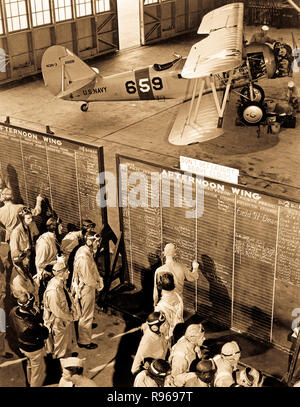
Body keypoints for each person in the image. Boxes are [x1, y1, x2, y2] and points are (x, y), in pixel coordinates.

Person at [71, 231, 104, 349]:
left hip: (86, 286)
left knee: (86, 312)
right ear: (90, 241)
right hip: (86, 288)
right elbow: (88, 278)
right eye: (96, 241)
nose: (98, 244)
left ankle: (85, 329)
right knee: (86, 314)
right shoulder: (84, 258)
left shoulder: (84, 250)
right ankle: (84, 341)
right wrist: (98, 285)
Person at [9, 293, 48, 387]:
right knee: (37, 371)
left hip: (22, 346)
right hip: (34, 349)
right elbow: (44, 333)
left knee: (29, 363)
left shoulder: (13, 311)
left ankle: (29, 382)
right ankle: (34, 385)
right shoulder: (31, 325)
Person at [43, 256, 78, 359]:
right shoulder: (53, 291)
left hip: (64, 319)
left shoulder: (60, 283)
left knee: (66, 341)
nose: (68, 273)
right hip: (58, 322)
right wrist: (70, 317)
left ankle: (67, 356)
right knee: (60, 347)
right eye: (66, 271)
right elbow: (57, 311)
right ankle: (62, 365)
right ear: (60, 273)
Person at [131, 311, 170, 376]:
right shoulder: (147, 342)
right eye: (164, 325)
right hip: (156, 368)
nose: (167, 326)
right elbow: (135, 367)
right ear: (155, 328)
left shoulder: (157, 331)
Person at [35, 216, 63, 303]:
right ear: (53, 227)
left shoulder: (53, 237)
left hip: (54, 272)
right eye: (60, 226)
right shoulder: (44, 242)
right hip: (46, 276)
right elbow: (39, 264)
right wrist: (56, 261)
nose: (62, 228)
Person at [10, 207, 39, 274]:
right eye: (28, 218)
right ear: (22, 219)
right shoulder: (16, 232)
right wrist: (23, 257)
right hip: (21, 262)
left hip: (30, 258)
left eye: (31, 217)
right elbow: (14, 251)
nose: (31, 220)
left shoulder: (30, 227)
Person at [154, 273, 184, 339]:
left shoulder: (159, 307)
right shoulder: (178, 297)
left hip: (168, 337)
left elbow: (160, 328)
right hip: (180, 331)